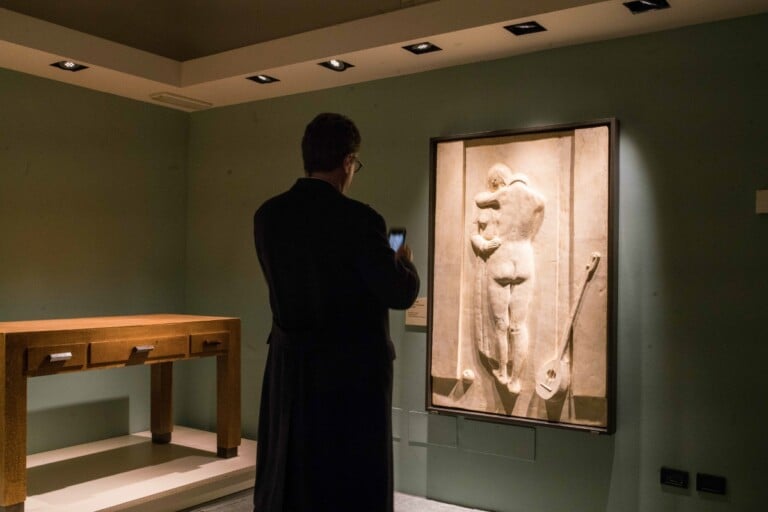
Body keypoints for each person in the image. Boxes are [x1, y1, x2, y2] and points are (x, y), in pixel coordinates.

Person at [252, 113, 420, 512]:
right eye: (355, 165)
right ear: (347, 161)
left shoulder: (267, 216)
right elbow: (399, 292)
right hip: (350, 373)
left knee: (292, 469)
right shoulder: (361, 220)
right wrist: (405, 261)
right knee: (349, 476)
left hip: (290, 365)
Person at [470, 163, 545, 394]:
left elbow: (480, 199)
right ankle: (515, 380)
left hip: (501, 259)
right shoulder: (538, 199)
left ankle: (503, 371)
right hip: (524, 258)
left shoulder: (502, 194)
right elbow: (536, 225)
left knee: (501, 324)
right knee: (519, 326)